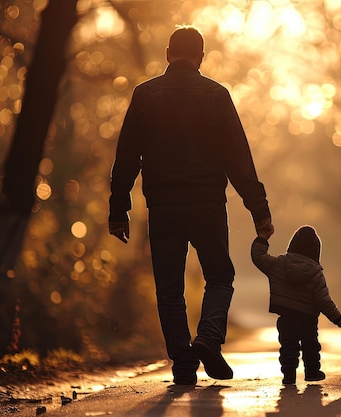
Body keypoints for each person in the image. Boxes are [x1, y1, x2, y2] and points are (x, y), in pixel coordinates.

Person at [109, 25, 274, 385]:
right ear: (201, 57)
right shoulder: (217, 95)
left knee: (169, 287)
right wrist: (259, 211)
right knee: (220, 277)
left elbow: (126, 159)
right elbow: (238, 159)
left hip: (163, 207)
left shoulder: (145, 95)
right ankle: (209, 339)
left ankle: (183, 361)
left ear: (168, 54)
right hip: (207, 206)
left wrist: (117, 209)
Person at [251, 225, 341, 385]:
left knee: (288, 346)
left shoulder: (278, 264)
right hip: (308, 319)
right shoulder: (316, 273)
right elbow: (324, 300)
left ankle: (288, 375)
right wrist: (336, 318)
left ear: (292, 244)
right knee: (311, 346)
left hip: (286, 316)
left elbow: (258, 257)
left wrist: (262, 238)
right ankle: (312, 372)